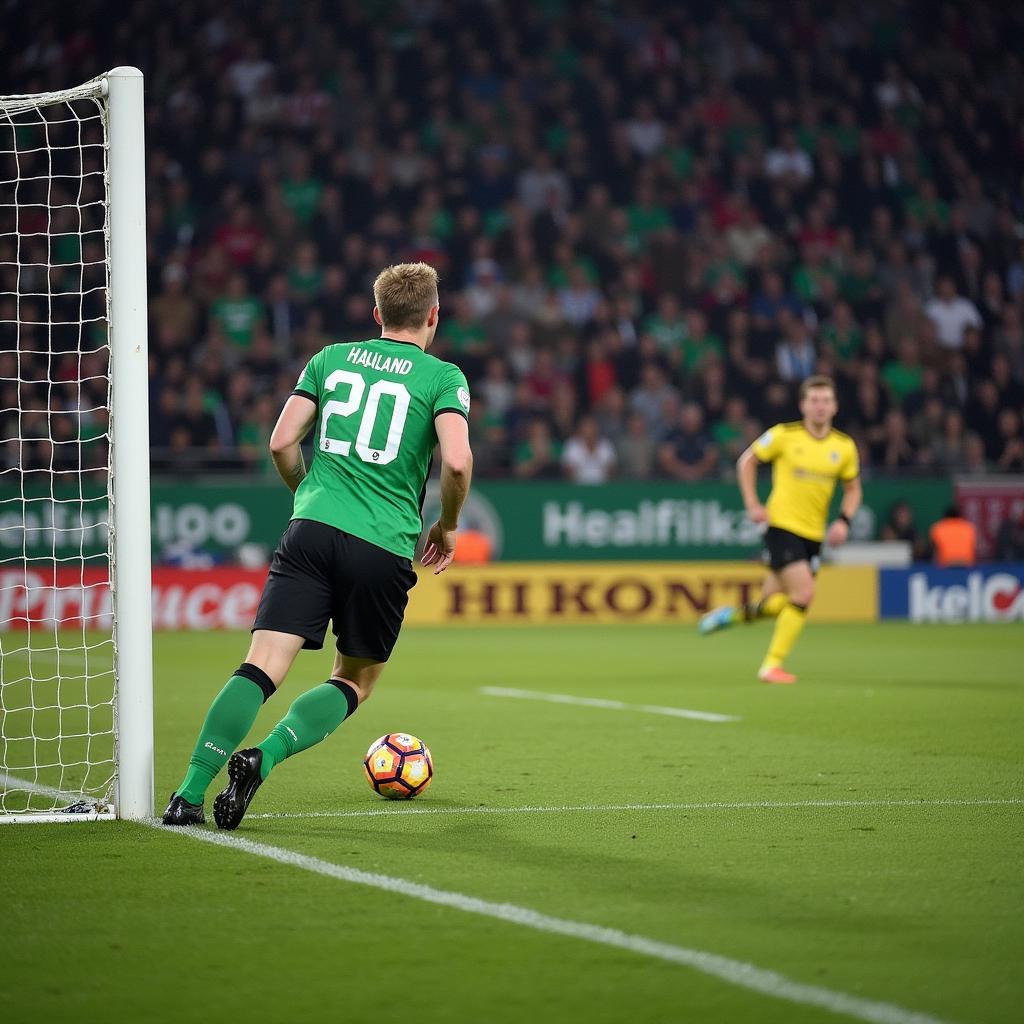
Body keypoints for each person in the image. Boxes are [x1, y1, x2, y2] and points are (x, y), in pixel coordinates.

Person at [162, 262, 473, 829]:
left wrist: (307, 491)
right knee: (354, 679)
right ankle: (265, 757)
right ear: (434, 315)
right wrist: (447, 526)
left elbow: (281, 441)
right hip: (381, 545)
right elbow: (455, 460)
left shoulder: (329, 358)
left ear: (376, 314)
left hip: (310, 531)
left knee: (261, 665)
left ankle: (186, 794)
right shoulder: (443, 377)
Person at [697, 375, 861, 684]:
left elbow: (853, 489)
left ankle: (729, 616)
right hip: (781, 525)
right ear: (803, 405)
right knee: (804, 594)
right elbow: (747, 461)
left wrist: (844, 520)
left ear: (835, 406)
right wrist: (752, 503)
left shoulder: (844, 447)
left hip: (814, 534)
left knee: (772, 606)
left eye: (826, 400)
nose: (820, 407)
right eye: (814, 401)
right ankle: (771, 665)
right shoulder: (784, 436)